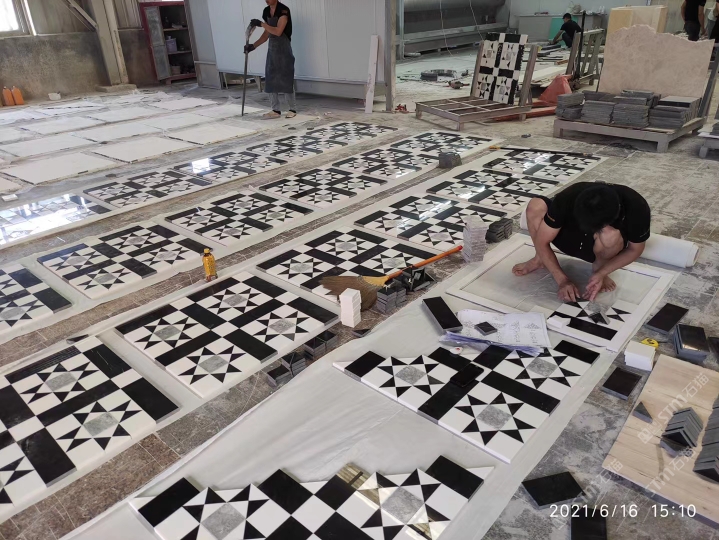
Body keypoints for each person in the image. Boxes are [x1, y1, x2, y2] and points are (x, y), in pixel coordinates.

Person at [512, 183, 651, 303]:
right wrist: (562, 281)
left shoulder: (636, 206)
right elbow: (542, 241)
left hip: (597, 249)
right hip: (567, 237)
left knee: (610, 234)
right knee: (535, 205)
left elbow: (635, 249)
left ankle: (598, 270)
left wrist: (602, 272)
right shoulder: (569, 196)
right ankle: (539, 258)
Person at [244, 0, 297, 119]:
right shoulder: (266, 11)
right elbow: (266, 34)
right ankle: (275, 110)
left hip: (284, 49)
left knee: (286, 78)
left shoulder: (283, 10)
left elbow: (278, 31)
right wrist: (253, 46)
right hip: (272, 50)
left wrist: (261, 24)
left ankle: (292, 109)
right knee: (271, 78)